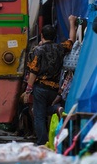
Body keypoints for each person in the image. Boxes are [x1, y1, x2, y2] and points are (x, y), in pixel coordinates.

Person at [24, 15, 78, 146]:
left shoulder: (39, 51)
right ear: (55, 37)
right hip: (54, 88)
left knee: (39, 116)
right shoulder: (60, 48)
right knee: (42, 110)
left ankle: (42, 143)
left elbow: (33, 71)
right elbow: (72, 40)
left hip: (40, 87)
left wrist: (28, 90)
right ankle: (56, 108)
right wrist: (72, 22)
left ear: (42, 36)